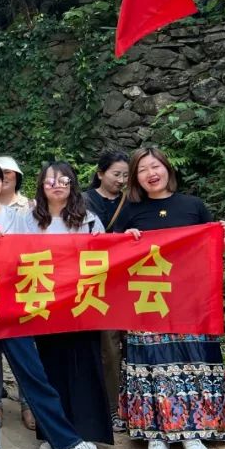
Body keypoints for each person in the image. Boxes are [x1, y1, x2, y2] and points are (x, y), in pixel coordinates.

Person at [0, 160, 107, 449]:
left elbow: (34, 256)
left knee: (33, 374)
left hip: (13, 308)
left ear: (4, 183)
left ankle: (65, 441)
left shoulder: (18, 218)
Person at [114, 147, 225, 449]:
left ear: (167, 169)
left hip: (190, 299)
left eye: (155, 166)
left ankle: (192, 432)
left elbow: (211, 250)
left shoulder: (192, 206)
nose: (151, 173)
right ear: (136, 178)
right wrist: (124, 239)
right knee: (152, 365)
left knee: (191, 361)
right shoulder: (130, 211)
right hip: (148, 300)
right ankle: (154, 433)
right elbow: (110, 255)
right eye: (143, 169)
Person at [24, 162, 114, 449]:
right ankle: (55, 434)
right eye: (51, 181)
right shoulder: (29, 220)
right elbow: (15, 256)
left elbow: (106, 256)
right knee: (51, 368)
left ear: (73, 185)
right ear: (42, 185)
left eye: (64, 180)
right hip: (46, 305)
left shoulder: (88, 219)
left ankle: (87, 432)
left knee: (85, 365)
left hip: (81, 303)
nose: (57, 185)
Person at [82, 150, 129, 429]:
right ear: (100, 173)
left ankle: (123, 405)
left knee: (122, 346)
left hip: (125, 281)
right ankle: (106, 406)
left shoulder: (132, 202)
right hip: (93, 281)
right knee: (103, 346)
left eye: (125, 175)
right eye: (116, 174)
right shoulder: (83, 201)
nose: (121, 180)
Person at [0, 155, 34, 431]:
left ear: (17, 177)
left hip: (21, 286)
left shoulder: (30, 207)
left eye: (9, 173)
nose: (4, 177)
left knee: (25, 349)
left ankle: (29, 404)